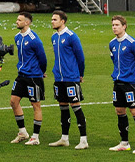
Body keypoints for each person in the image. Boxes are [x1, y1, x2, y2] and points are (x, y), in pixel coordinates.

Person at [108, 14, 135, 154]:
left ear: (124, 26)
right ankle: (124, 142)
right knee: (119, 111)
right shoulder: (112, 43)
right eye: (113, 25)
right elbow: (114, 61)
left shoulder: (132, 43)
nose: (114, 27)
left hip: (131, 83)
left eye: (117, 25)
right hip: (117, 82)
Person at [47, 11, 87, 149]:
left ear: (62, 21)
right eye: (52, 19)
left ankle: (83, 140)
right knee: (63, 108)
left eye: (55, 19)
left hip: (71, 77)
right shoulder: (54, 37)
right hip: (59, 78)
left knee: (76, 107)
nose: (52, 21)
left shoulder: (71, 37)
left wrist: (80, 74)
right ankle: (64, 138)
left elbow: (80, 57)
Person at [10, 11, 48, 144]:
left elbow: (42, 58)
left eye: (19, 20)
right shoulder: (17, 37)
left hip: (33, 77)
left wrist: (41, 71)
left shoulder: (34, 39)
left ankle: (35, 137)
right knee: (13, 102)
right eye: (17, 19)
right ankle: (22, 132)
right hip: (21, 75)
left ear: (27, 22)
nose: (17, 22)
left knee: (35, 105)